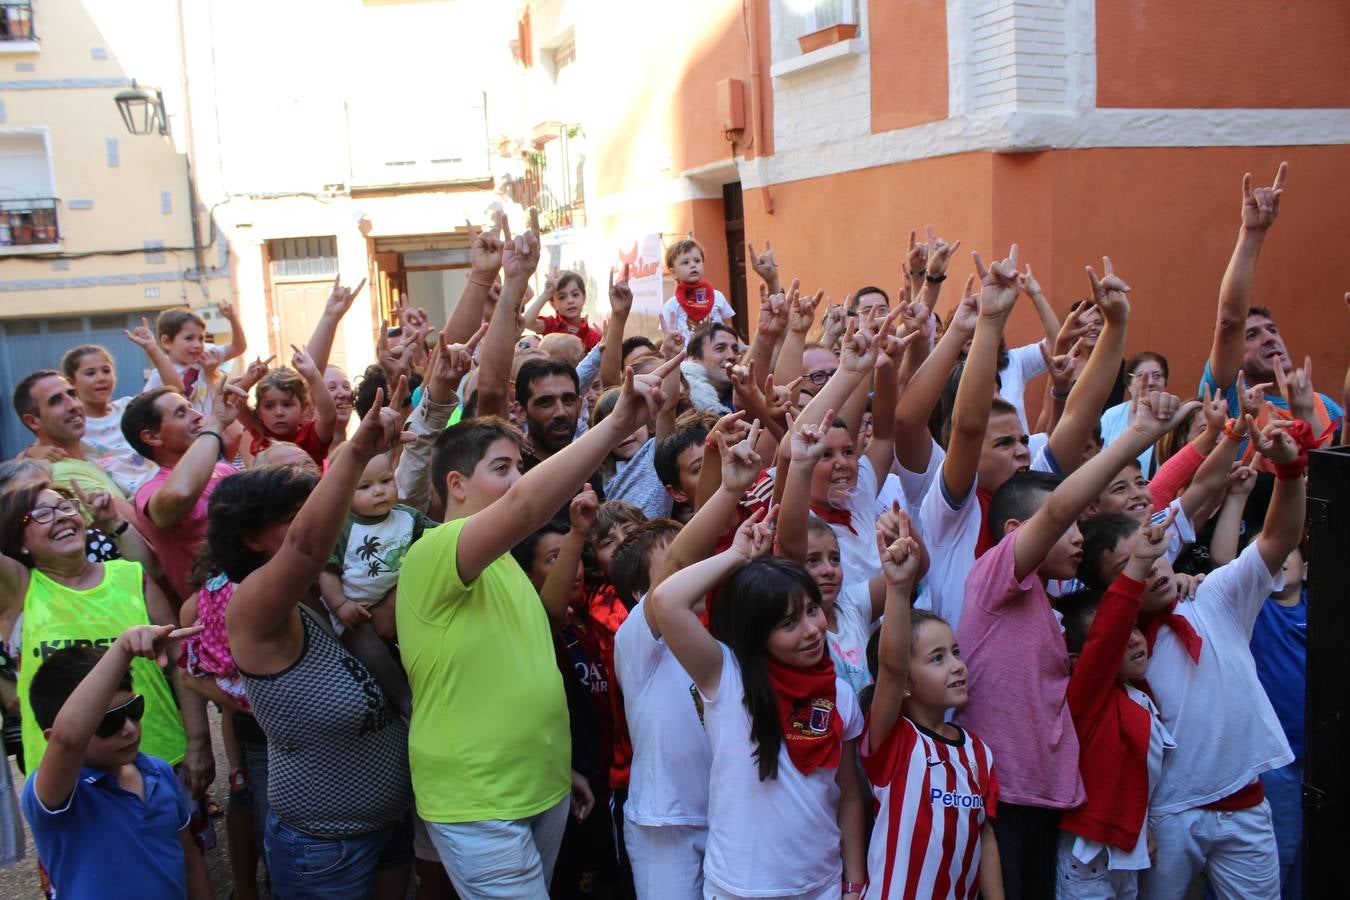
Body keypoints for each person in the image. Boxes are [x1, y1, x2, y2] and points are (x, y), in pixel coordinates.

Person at [396, 215, 683, 896]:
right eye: (503, 465)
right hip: (478, 799)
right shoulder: (435, 553)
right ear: (457, 486)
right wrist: (617, 421)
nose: (518, 475)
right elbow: (525, 505)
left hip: (541, 785)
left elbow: (536, 641)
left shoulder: (504, 563)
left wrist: (559, 770)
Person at [954, 388, 1196, 900]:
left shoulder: (1044, 603)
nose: (1079, 537)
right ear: (1019, 533)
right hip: (1006, 798)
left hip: (1043, 800)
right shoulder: (995, 576)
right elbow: (1063, 503)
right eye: (1066, 529)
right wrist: (1136, 437)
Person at [218, 386, 415, 899]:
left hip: (390, 823)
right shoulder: (254, 609)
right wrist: (355, 449)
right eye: (295, 517)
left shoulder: (329, 592)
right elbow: (306, 548)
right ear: (253, 540)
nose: (321, 521)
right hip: (323, 848)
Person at [650, 504, 867, 899]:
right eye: (788, 623)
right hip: (740, 889)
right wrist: (736, 556)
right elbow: (666, 601)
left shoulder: (840, 694)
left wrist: (853, 881)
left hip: (822, 886)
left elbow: (849, 793)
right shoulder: (727, 678)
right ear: (756, 633)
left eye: (812, 610)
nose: (811, 630)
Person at [0, 480, 213, 806]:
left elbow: (180, 664)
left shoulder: (131, 576)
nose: (60, 517)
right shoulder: (19, 589)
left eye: (65, 507)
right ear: (19, 543)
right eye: (41, 514)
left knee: (178, 853)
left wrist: (199, 741)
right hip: (65, 775)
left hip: (157, 755)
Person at [863, 519, 1003, 900]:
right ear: (905, 685)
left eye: (955, 653)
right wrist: (898, 587)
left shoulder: (979, 753)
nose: (957, 665)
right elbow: (890, 668)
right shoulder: (892, 740)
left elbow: (984, 834)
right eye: (937, 658)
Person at [20, 624, 211, 899]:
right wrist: (121, 650)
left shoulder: (158, 773)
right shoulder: (58, 797)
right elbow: (68, 739)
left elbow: (190, 860)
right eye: (108, 722)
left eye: (133, 709)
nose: (129, 728)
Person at [1056, 514, 1178, 898]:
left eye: (1136, 629)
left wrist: (1142, 830)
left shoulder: (1138, 695)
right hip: (1087, 859)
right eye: (1118, 639)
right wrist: (1138, 563)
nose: (1134, 641)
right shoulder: (1086, 698)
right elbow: (1107, 637)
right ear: (1079, 662)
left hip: (1128, 852)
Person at [1202, 162, 1343, 467]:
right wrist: (1252, 231)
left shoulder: (1325, 407)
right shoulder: (1227, 398)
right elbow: (1229, 320)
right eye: (1252, 335)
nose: (1268, 338)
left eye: (1272, 330)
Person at [122, 379, 246, 607]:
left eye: (190, 406)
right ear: (152, 437)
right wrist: (216, 424)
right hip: (216, 618)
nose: (198, 415)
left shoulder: (225, 469)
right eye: (181, 413)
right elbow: (181, 494)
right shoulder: (149, 492)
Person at [1250, 544, 1307, 900]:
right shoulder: (1257, 610)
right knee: (1278, 851)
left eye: (1291, 549)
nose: (1281, 555)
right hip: (1277, 756)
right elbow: (1224, 558)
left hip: (1322, 754)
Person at [11, 369, 134, 522]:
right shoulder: (63, 474)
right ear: (32, 421)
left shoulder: (86, 455)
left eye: (72, 394)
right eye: (56, 401)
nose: (73, 405)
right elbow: (141, 528)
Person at [59, 343, 160, 496]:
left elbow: (176, 390)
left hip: (159, 483)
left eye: (106, 371)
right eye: (90, 373)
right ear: (71, 383)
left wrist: (152, 349)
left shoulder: (128, 407)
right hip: (129, 500)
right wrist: (36, 450)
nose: (101, 378)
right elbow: (38, 449)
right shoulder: (74, 425)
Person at [236, 346, 337, 467]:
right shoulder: (261, 432)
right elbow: (236, 406)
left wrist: (313, 375)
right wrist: (248, 380)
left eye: (287, 405)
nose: (279, 412)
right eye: (269, 406)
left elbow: (329, 417)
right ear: (259, 412)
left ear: (304, 408)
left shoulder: (312, 435)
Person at [144, 304, 247, 413]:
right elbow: (145, 409)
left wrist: (233, 319)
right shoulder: (160, 374)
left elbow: (238, 347)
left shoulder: (205, 355)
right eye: (189, 338)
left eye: (201, 338)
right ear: (166, 342)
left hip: (214, 425)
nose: (197, 344)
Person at [1099, 351, 1169, 471]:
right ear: (1128, 384)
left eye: (1157, 376)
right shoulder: (1111, 416)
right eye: (1141, 376)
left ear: (1165, 383)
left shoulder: (1173, 418)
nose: (1151, 382)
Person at [661, 238, 735, 341]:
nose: (693, 265)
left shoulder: (717, 296)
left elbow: (729, 327)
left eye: (697, 261)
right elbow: (667, 337)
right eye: (685, 262)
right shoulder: (672, 306)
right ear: (673, 273)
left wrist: (740, 346)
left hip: (720, 354)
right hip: (689, 357)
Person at [523, 269, 603, 351]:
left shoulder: (594, 336)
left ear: (584, 297)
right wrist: (547, 293)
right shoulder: (552, 325)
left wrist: (606, 340)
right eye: (562, 297)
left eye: (575, 295)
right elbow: (527, 322)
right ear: (552, 303)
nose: (570, 301)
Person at [681, 322, 740, 413]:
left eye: (735, 350)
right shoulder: (682, 402)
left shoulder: (743, 394)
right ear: (695, 360)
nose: (732, 356)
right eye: (720, 348)